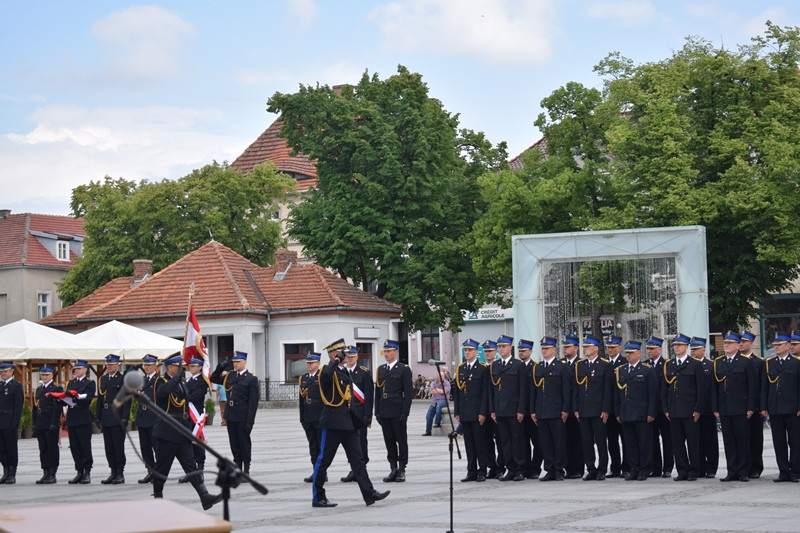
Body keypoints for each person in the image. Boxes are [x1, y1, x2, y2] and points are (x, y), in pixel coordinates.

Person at [311, 345, 389, 508]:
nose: (346, 355)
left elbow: (350, 400)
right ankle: (318, 496)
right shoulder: (328, 370)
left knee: (358, 460)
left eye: (345, 353)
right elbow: (325, 376)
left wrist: (359, 420)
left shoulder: (344, 371)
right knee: (324, 460)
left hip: (348, 424)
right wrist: (336, 360)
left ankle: (369, 493)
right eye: (341, 353)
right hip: (332, 424)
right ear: (334, 355)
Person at [152, 354, 222, 510]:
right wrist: (176, 378)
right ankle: (157, 496)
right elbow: (163, 393)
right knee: (162, 467)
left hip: (182, 429)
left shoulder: (182, 382)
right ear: (170, 367)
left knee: (191, 466)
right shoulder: (161, 381)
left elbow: (188, 400)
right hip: (167, 431)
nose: (181, 369)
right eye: (177, 367)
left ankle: (205, 497)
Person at [713, 331, 758, 482]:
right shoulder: (719, 362)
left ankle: (743, 471)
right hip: (725, 408)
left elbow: (752, 387)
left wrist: (751, 406)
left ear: (738, 345)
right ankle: (732, 471)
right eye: (725, 343)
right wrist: (716, 407)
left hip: (741, 407)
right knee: (729, 441)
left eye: (730, 343)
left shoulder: (746, 362)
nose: (726, 345)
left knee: (742, 440)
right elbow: (715, 387)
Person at [662, 333, 705, 481]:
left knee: (693, 442)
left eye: (679, 345)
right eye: (675, 345)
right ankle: (682, 470)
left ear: (686, 347)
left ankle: (694, 470)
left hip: (690, 409)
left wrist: (698, 409)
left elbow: (701, 389)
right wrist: (665, 409)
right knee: (677, 443)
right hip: (674, 409)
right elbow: (665, 389)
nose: (676, 348)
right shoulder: (669, 365)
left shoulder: (695, 364)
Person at [760, 333, 800, 482]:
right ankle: (783, 471)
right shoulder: (769, 363)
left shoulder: (796, 363)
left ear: (788, 346)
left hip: (792, 409)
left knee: (795, 441)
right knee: (778, 441)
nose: (776, 347)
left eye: (779, 345)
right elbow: (764, 387)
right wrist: (763, 406)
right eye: (775, 345)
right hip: (775, 408)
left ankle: (795, 470)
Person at [615, 341, 658, 481]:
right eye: (627, 353)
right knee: (630, 443)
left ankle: (644, 469)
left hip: (642, 413)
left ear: (639, 353)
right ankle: (634, 468)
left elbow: (653, 393)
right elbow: (618, 394)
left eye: (631, 353)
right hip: (626, 413)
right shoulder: (621, 370)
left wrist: (651, 412)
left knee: (645, 442)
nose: (628, 355)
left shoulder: (646, 370)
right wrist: (618, 412)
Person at [211, 350, 259, 474]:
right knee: (234, 443)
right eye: (234, 362)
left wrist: (250, 421)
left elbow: (253, 402)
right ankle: (237, 468)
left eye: (238, 362)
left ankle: (246, 469)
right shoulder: (230, 376)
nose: (235, 364)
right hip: (231, 414)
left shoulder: (251, 379)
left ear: (245, 362)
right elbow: (214, 378)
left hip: (243, 415)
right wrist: (221, 366)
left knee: (244, 442)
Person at [573, 334, 613, 481]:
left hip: (598, 410)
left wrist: (606, 409)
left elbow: (608, 390)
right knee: (586, 441)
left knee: (601, 441)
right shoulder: (581, 365)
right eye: (584, 347)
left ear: (596, 348)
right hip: (583, 409)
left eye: (588, 347)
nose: (585, 349)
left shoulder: (604, 365)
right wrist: (575, 408)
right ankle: (590, 468)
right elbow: (577, 388)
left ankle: (602, 469)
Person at [531, 336, 570, 481]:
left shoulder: (561, 367)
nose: (544, 351)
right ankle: (549, 469)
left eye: (547, 348)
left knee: (559, 442)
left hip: (556, 410)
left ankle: (559, 469)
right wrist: (533, 410)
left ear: (554, 349)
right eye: (543, 348)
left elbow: (566, 390)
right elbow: (533, 391)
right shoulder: (538, 367)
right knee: (545, 442)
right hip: (541, 410)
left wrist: (565, 409)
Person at [375, 339, 413, 482]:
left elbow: (408, 394)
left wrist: (405, 413)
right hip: (384, 409)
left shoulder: (404, 369)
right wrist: (377, 411)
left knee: (401, 440)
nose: (387, 354)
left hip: (397, 409)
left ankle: (402, 468)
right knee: (389, 441)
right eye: (385, 351)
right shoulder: (381, 369)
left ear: (396, 352)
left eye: (389, 351)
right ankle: (393, 468)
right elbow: (377, 392)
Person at [490, 334, 527, 481]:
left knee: (517, 440)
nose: (501, 349)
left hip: (513, 409)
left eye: (503, 346)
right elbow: (492, 390)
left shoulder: (518, 365)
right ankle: (510, 468)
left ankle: (520, 469)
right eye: (499, 346)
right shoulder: (496, 366)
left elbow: (523, 390)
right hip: (500, 409)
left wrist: (521, 410)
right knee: (504, 441)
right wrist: (492, 410)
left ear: (510, 347)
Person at [453, 338, 490, 482]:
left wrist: (482, 412)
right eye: (466, 350)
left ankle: (482, 470)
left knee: (480, 443)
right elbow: (457, 392)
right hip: (465, 411)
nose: (467, 352)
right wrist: (457, 411)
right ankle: (471, 470)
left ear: (476, 352)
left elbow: (485, 393)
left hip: (477, 412)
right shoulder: (461, 369)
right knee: (469, 444)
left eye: (470, 350)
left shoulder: (482, 369)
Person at [341, 345, 374, 483]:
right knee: (349, 442)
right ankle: (353, 468)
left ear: (357, 357)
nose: (349, 359)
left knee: (361, 441)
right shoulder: (341, 372)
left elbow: (369, 395)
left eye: (352, 356)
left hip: (360, 412)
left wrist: (368, 414)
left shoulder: (364, 372)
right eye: (347, 356)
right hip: (345, 413)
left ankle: (361, 467)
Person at [60, 360, 96, 484]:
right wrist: (61, 399)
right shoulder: (71, 382)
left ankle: (87, 471)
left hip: (83, 417)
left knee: (84, 446)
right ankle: (79, 471)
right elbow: (67, 396)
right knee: (74, 446)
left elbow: (88, 398)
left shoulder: (90, 383)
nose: (76, 370)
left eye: (79, 368)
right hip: (73, 417)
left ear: (85, 370)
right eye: (75, 369)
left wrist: (76, 398)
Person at [96, 354, 129, 484]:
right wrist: (97, 417)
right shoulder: (103, 379)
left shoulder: (122, 379)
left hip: (117, 416)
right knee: (108, 446)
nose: (109, 366)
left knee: (118, 445)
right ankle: (113, 471)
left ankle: (120, 472)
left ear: (118, 365)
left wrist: (125, 416)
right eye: (107, 364)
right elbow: (100, 399)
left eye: (111, 364)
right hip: (106, 415)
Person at [689, 336, 718, 478]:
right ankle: (699, 467)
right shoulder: (689, 365)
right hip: (693, 409)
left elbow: (712, 389)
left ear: (704, 350)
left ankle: (712, 467)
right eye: (692, 349)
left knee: (710, 440)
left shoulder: (711, 365)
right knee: (696, 440)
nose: (693, 352)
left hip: (707, 409)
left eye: (696, 349)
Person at [644, 335, 673, 478]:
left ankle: (668, 467)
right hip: (649, 409)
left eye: (652, 348)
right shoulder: (644, 365)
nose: (648, 351)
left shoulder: (667, 365)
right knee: (651, 439)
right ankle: (655, 467)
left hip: (663, 409)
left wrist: (667, 408)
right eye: (647, 348)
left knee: (668, 439)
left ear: (659, 349)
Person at [739, 330, 765, 479]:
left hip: (754, 407)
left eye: (745, 341)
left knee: (755, 438)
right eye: (740, 341)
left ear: (751, 343)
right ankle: (743, 466)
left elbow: (761, 386)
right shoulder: (735, 361)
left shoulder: (759, 362)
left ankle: (756, 467)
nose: (741, 344)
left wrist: (761, 406)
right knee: (742, 439)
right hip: (739, 407)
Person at [517, 338, 543, 479]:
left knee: (538, 442)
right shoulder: (517, 367)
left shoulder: (536, 367)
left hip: (533, 411)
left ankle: (535, 468)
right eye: (520, 351)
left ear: (531, 351)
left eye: (524, 350)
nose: (521, 353)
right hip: (521, 411)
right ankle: (525, 468)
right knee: (523, 442)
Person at [33, 364, 63, 484]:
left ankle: (52, 472)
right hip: (41, 422)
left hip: (51, 421)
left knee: (52, 448)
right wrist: (34, 423)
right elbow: (35, 408)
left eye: (47, 375)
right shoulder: (39, 390)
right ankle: (45, 471)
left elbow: (57, 408)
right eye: (43, 375)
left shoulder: (56, 388)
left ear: (52, 375)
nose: (44, 377)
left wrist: (54, 423)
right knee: (43, 448)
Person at [604, 335, 628, 477]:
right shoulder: (605, 364)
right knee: (611, 440)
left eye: (613, 347)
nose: (610, 350)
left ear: (619, 348)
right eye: (608, 347)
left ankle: (627, 467)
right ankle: (615, 467)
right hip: (610, 408)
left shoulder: (624, 363)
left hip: (623, 407)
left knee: (626, 440)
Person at [481, 339, 505, 479]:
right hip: (484, 411)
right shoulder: (483, 368)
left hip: (497, 410)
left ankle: (501, 466)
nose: (488, 354)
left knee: (501, 441)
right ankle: (492, 466)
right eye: (485, 352)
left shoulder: (498, 367)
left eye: (490, 351)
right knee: (486, 441)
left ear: (495, 352)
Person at [561, 334, 584, 479]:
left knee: (578, 439)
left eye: (568, 346)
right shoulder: (560, 364)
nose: (565, 349)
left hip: (577, 408)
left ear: (576, 348)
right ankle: (568, 468)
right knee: (565, 440)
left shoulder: (581, 364)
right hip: (563, 408)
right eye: (564, 346)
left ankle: (578, 468)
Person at [185, 357, 210, 482]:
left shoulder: (202, 381)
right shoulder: (187, 380)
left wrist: (185, 398)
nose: (191, 368)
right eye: (190, 366)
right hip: (187, 416)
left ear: (200, 367)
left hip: (197, 416)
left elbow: (197, 395)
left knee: (198, 444)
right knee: (188, 444)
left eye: (194, 366)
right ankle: (191, 472)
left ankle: (200, 470)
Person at [299, 352, 323, 482]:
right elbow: (301, 400)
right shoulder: (304, 378)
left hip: (319, 416)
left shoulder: (322, 377)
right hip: (308, 417)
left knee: (320, 446)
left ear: (318, 363)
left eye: (311, 363)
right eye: (307, 363)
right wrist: (302, 418)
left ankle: (321, 472)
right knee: (312, 446)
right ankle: (315, 470)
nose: (309, 365)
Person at [136, 354, 160, 483]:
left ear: (155, 366)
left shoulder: (158, 380)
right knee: (145, 448)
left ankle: (159, 472)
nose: (146, 367)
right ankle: (150, 470)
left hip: (153, 417)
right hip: (142, 417)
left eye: (149, 365)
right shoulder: (141, 380)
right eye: (145, 365)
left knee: (156, 447)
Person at [0, 362, 23, 484]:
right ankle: (5, 471)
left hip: (9, 422)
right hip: (1, 422)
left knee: (11, 449)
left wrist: (15, 423)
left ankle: (12, 473)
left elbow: (18, 407)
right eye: (2, 372)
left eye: (6, 371)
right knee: (2, 449)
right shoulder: (0, 386)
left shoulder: (16, 386)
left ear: (12, 372)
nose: (3, 373)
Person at [422, 367, 450, 436]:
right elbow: (432, 391)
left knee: (439, 407)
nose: (442, 377)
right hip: (434, 401)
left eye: (443, 376)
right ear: (438, 377)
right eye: (441, 376)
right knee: (428, 415)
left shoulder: (446, 383)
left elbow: (445, 391)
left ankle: (437, 422)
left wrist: (437, 390)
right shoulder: (434, 383)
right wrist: (438, 390)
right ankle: (428, 431)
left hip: (444, 400)